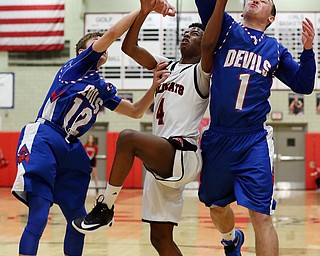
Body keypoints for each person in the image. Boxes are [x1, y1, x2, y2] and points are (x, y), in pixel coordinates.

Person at [11, 1, 175, 255]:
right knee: (39, 216)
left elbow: (134, 112)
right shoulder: (76, 67)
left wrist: (153, 87)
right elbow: (111, 35)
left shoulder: (102, 87)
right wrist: (145, 10)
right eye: (95, 42)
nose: (104, 46)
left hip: (71, 146)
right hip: (45, 135)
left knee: (79, 220)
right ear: (80, 52)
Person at [72, 0, 225, 255]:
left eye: (195, 33)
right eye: (185, 32)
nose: (187, 35)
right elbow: (129, 47)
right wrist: (143, 12)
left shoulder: (202, 71)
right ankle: (106, 209)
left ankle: (105, 206)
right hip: (161, 158)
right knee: (160, 239)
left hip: (181, 153)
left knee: (128, 138)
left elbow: (211, 44)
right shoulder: (165, 66)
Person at [195, 0, 316, 255]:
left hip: (253, 140)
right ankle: (230, 239)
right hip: (219, 136)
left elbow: (303, 85)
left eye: (265, 0)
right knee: (216, 207)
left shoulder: (275, 49)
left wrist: (307, 50)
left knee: (261, 216)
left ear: (271, 17)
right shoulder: (226, 28)